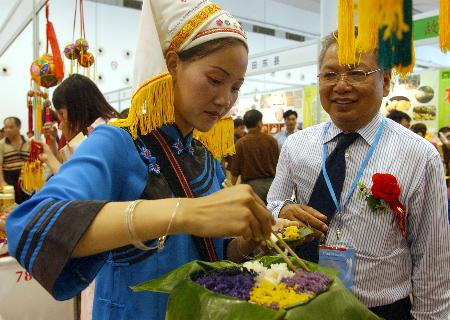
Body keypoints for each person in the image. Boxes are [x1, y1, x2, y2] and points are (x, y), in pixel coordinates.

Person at [6, 1, 278, 319]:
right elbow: (31, 226)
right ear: (173, 63)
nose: (225, 100)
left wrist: (248, 239)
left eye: (236, 87)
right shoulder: (117, 143)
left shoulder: (204, 156)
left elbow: (213, 254)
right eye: (215, 80)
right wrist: (185, 212)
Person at [267, 30, 450, 320]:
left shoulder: (419, 155)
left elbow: (433, 255)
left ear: (386, 81)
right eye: (330, 75)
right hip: (303, 302)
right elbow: (272, 204)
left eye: (355, 73)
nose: (341, 86)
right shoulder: (297, 146)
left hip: (381, 310)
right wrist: (284, 209)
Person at [38, 74, 122, 174]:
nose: (61, 124)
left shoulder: (105, 130)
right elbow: (64, 163)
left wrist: (49, 159)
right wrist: (52, 142)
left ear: (77, 107)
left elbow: (75, 181)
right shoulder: (92, 130)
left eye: (62, 114)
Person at [230, 109, 279, 204]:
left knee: (254, 217)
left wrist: (231, 190)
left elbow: (234, 172)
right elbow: (279, 165)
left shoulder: (240, 143)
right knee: (272, 217)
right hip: (271, 186)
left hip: (250, 189)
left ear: (245, 125)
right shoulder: (271, 140)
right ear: (259, 123)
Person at [0, 117, 30, 203]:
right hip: (8, 180)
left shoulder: (28, 143)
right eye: (6, 127)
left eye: (11, 127)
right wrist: (2, 182)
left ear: (19, 127)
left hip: (25, 181)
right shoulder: (1, 145)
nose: (7, 130)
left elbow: (30, 162)